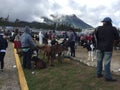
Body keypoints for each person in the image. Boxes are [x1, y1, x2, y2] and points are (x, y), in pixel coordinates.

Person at [94, 17, 119, 82]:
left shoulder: (98, 28)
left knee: (99, 61)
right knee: (107, 63)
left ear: (104, 22)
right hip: (108, 48)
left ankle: (98, 74)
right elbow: (118, 38)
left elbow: (95, 37)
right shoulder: (113, 29)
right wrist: (114, 44)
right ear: (110, 22)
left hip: (99, 47)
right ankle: (107, 77)